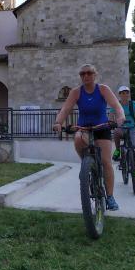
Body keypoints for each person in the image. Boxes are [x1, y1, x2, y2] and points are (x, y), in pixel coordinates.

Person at [53, 64, 125, 211]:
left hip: (102, 127)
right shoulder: (76, 92)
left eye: (89, 73)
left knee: (106, 162)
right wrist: (58, 122)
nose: (85, 76)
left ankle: (110, 197)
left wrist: (120, 117)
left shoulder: (103, 89)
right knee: (78, 138)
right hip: (83, 127)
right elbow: (65, 109)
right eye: (82, 74)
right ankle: (87, 164)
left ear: (95, 74)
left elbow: (116, 105)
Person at [110, 85, 135, 181]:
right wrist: (111, 123)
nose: (125, 94)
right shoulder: (116, 104)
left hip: (132, 128)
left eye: (127, 92)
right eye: (123, 93)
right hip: (121, 127)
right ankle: (118, 150)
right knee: (116, 133)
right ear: (119, 95)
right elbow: (111, 116)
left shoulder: (134, 104)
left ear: (129, 94)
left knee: (134, 149)